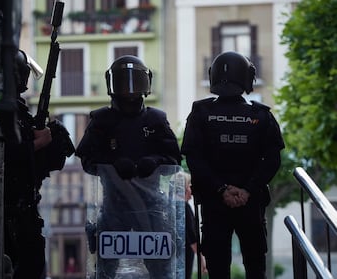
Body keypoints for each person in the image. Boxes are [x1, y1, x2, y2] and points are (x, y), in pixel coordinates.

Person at [75, 55, 182, 279]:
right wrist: (111, 163)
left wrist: (155, 161)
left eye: (135, 82)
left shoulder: (156, 119)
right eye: (123, 83)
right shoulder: (102, 120)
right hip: (115, 204)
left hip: (151, 203)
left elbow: (174, 158)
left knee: (161, 268)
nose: (130, 90)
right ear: (111, 85)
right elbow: (86, 157)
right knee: (106, 270)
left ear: (147, 84)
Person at [181, 51, 284, 279]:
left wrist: (221, 189)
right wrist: (247, 190)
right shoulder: (262, 115)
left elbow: (193, 159)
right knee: (255, 266)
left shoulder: (200, 113)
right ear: (248, 77)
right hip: (251, 202)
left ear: (213, 76)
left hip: (213, 202)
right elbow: (273, 160)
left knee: (217, 268)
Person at [4, 49, 73, 279]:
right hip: (10, 210)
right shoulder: (5, 111)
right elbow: (7, 154)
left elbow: (48, 164)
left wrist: (52, 140)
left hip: (25, 210)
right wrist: (39, 143)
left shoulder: (18, 112)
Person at [182, 172, 207, 278]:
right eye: (189, 186)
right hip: (185, 255)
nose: (191, 192)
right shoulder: (185, 208)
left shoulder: (170, 207)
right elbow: (192, 237)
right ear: (185, 189)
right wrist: (201, 260)